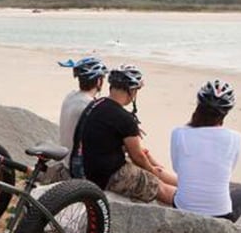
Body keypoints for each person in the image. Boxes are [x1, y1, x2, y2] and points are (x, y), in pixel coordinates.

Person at [75, 64, 178, 204]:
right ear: (132, 90)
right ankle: (191, 208)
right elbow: (138, 156)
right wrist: (152, 172)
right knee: (159, 187)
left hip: (86, 167)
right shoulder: (124, 118)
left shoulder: (96, 104)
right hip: (107, 175)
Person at [171, 80, 241, 222]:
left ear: (198, 106)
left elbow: (177, 168)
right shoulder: (235, 138)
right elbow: (229, 169)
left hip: (182, 209)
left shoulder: (178, 133)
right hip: (221, 215)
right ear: (225, 112)